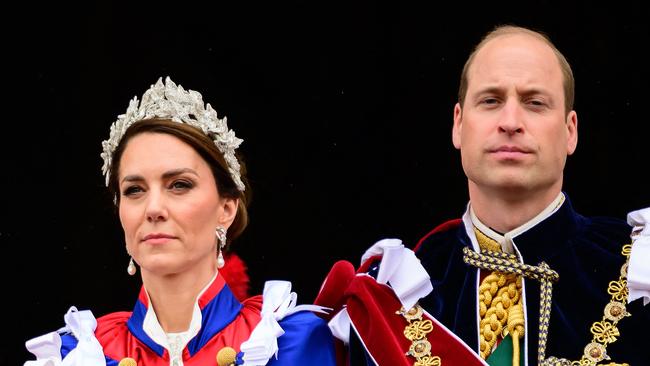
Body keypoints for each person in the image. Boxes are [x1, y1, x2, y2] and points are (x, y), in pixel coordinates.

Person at [315, 25, 649, 365]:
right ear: (458, 125)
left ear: (570, 131)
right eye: (491, 101)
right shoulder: (388, 294)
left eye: (534, 103)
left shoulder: (641, 271)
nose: (510, 121)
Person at [24, 77, 337, 366]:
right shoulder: (77, 355)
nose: (154, 208)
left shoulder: (289, 343)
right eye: (134, 190)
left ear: (226, 209)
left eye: (179, 185)